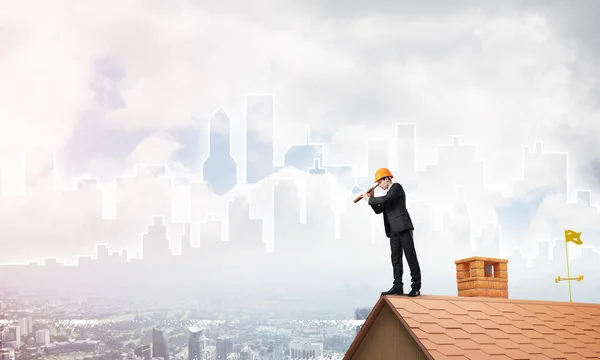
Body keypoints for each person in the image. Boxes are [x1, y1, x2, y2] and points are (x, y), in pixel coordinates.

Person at [361, 167, 421, 297]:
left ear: (387, 178)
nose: (379, 185)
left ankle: (416, 287)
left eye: (380, 182)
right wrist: (372, 198)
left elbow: (384, 200)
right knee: (395, 258)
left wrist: (368, 199)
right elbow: (378, 210)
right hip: (393, 230)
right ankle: (397, 286)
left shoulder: (396, 188)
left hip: (403, 227)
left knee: (410, 256)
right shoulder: (387, 195)